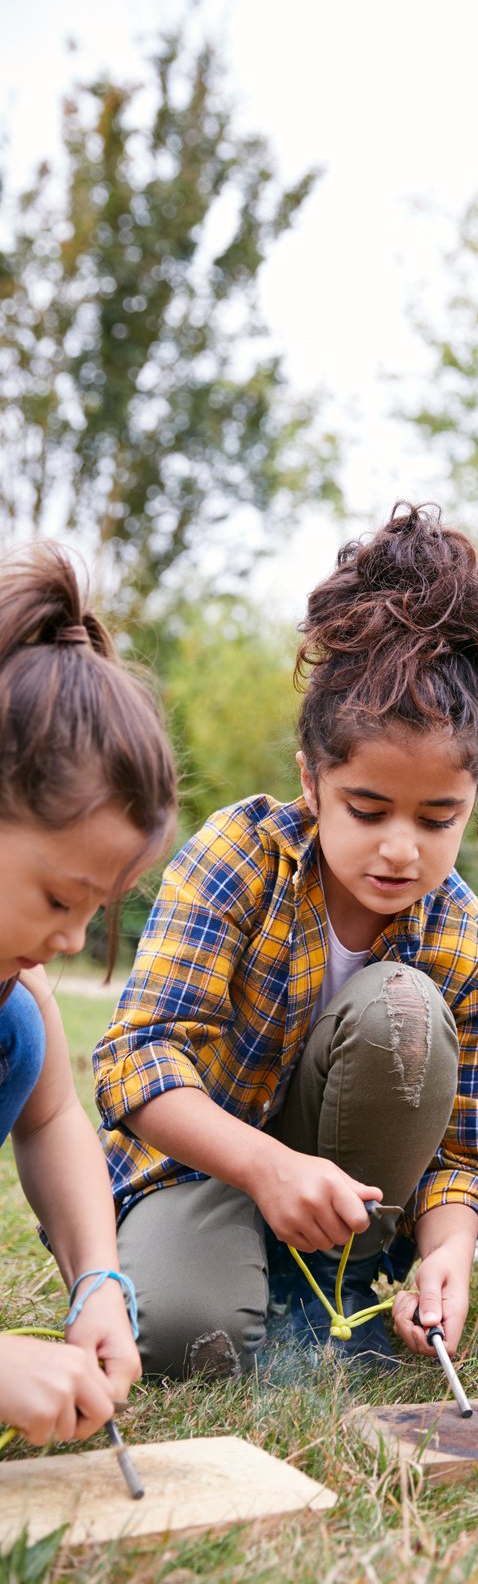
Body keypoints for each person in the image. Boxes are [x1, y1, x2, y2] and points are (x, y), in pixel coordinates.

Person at [94, 503, 478, 1378]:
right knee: (187, 1338)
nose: (400, 848)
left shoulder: (472, 947)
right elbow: (138, 1060)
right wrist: (265, 1169)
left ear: (473, 801)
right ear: (312, 779)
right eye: (367, 809)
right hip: (205, 1167)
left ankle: (343, 1279)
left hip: (353, 1211)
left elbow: (463, 1160)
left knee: (402, 1005)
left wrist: (448, 1250)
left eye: (439, 819)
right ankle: (236, 1270)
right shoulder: (235, 859)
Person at [0, 542, 177, 1446]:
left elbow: (52, 1118)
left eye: (96, 910)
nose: (69, 942)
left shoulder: (12, 1009)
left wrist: (96, 1277)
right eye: (59, 899)